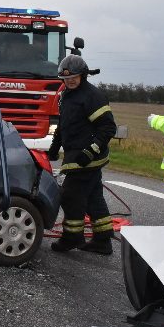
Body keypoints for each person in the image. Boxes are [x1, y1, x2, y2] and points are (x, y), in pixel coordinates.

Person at [47, 55, 117, 254]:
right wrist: (54, 146)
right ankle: (103, 241)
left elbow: (107, 127)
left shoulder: (91, 96)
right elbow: (64, 125)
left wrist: (90, 151)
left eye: (74, 77)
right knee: (94, 198)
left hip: (86, 158)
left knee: (70, 197)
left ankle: (71, 237)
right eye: (66, 78)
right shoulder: (67, 96)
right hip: (78, 155)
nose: (70, 81)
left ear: (83, 75)